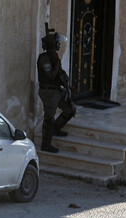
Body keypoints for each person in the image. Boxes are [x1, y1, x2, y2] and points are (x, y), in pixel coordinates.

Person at [37, 24, 75, 153]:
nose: (59, 45)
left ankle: (55, 130)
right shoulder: (44, 58)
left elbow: (60, 74)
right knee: (49, 118)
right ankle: (46, 144)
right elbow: (51, 76)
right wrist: (57, 62)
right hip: (48, 92)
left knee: (69, 110)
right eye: (57, 43)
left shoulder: (54, 57)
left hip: (57, 90)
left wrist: (68, 85)